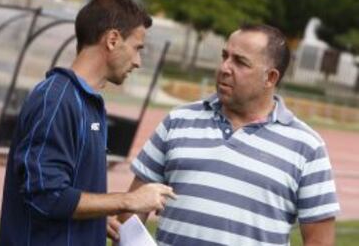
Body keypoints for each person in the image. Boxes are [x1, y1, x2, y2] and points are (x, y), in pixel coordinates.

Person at [109, 24, 340, 245]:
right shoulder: (178, 120)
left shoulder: (307, 146)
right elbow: (132, 213)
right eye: (225, 56)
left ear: (270, 78)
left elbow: (320, 240)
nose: (224, 68)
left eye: (240, 62)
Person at [0, 0, 175, 246]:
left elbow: (65, 195)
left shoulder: (86, 102)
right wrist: (129, 200)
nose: (138, 61)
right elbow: (45, 195)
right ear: (113, 39)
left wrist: (95, 217)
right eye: (137, 48)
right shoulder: (56, 100)